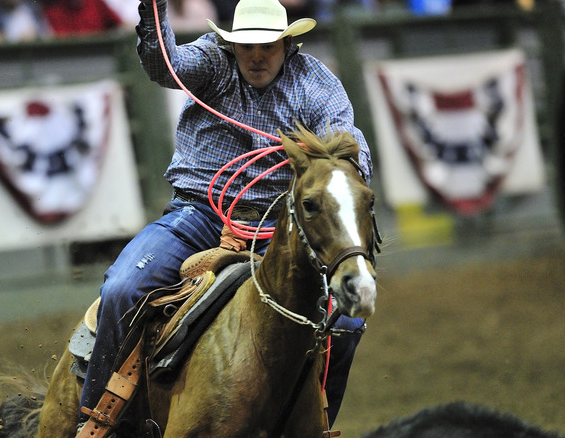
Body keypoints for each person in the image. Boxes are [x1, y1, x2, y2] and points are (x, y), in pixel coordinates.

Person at [76, 0, 374, 434]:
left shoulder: (316, 83)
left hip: (280, 229)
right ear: (231, 44)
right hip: (198, 213)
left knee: (345, 321)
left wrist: (343, 167)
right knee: (123, 287)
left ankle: (315, 423)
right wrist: (153, 10)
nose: (256, 56)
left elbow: (349, 147)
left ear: (287, 44)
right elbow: (165, 66)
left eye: (267, 46)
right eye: (246, 46)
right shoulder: (213, 61)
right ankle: (96, 422)